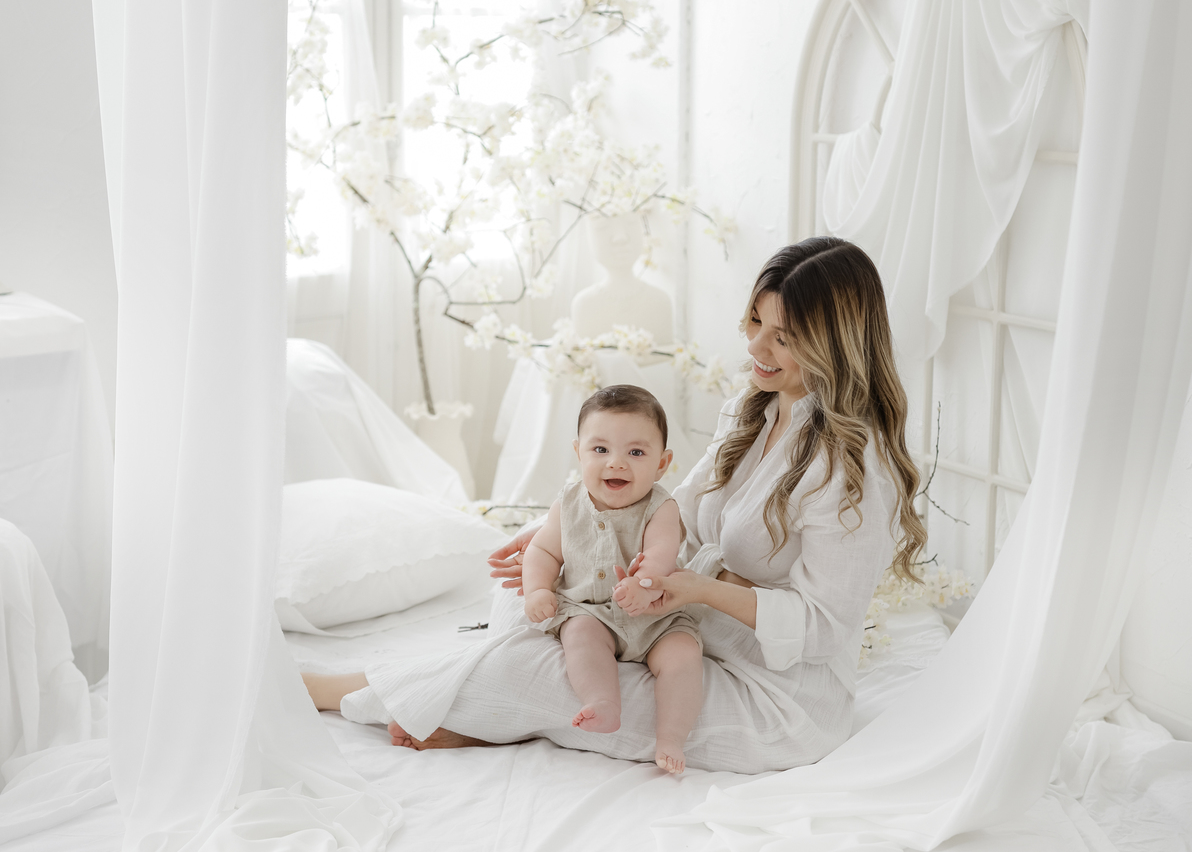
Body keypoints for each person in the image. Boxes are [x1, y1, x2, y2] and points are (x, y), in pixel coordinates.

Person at [303, 238, 925, 774]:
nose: (756, 346)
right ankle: (483, 710)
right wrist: (563, 533)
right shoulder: (754, 408)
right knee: (530, 601)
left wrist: (703, 590)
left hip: (775, 696)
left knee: (537, 668)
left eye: (782, 337)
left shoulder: (854, 469)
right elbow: (678, 509)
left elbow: (822, 627)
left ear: (833, 344)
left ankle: (349, 693)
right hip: (687, 623)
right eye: (755, 321)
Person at [522, 384, 701, 775]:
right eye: (600, 449)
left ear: (662, 463)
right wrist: (536, 589)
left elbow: (660, 555)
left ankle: (671, 736)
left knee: (684, 655)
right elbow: (543, 551)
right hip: (591, 612)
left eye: (636, 453)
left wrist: (644, 583)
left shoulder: (661, 507)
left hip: (654, 616)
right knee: (579, 637)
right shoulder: (567, 504)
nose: (616, 464)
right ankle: (603, 702)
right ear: (579, 452)